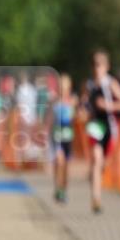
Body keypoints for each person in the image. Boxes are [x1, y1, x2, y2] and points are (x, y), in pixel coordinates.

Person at [82, 50, 120, 214]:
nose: (97, 69)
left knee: (103, 163)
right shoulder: (88, 84)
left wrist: (108, 106)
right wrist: (83, 111)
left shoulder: (111, 84)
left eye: (100, 65)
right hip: (95, 125)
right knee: (96, 159)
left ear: (107, 67)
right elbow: (83, 104)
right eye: (95, 65)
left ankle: (95, 178)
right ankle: (96, 198)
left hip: (110, 126)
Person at [49, 74, 77, 203]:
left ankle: (64, 190)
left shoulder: (73, 101)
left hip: (68, 136)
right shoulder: (54, 101)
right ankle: (57, 188)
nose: (63, 90)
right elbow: (49, 119)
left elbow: (78, 117)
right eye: (61, 87)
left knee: (66, 165)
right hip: (57, 135)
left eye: (66, 87)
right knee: (59, 161)